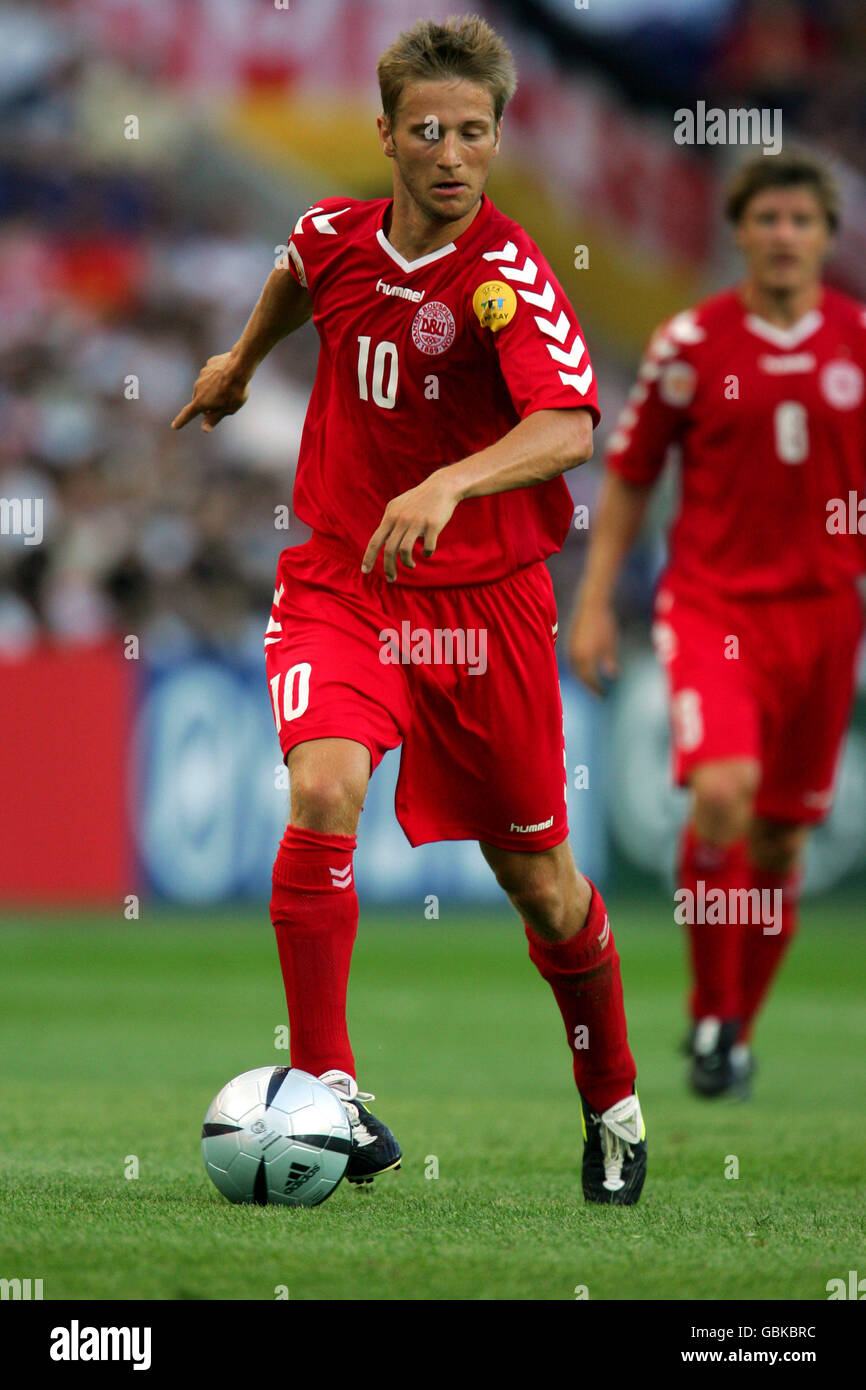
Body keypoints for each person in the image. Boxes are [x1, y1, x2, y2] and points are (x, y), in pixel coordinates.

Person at [173, 15, 645, 1203]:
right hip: (345, 579)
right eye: (427, 130)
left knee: (539, 881)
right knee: (324, 786)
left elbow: (568, 427)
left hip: (484, 611)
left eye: (474, 133)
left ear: (495, 139)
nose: (451, 154)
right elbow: (296, 270)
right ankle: (328, 1085)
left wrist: (449, 480)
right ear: (383, 133)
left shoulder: (507, 277)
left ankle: (614, 1106)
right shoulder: (333, 231)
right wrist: (239, 364)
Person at [569, 150, 865, 1098]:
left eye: (801, 221)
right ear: (739, 232)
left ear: (827, 236)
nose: (783, 236)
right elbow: (631, 474)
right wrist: (593, 602)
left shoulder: (859, 343)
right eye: (766, 219)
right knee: (724, 795)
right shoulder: (691, 344)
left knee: (780, 844)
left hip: (824, 617)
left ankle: (736, 1030)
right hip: (712, 606)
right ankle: (706, 1013)